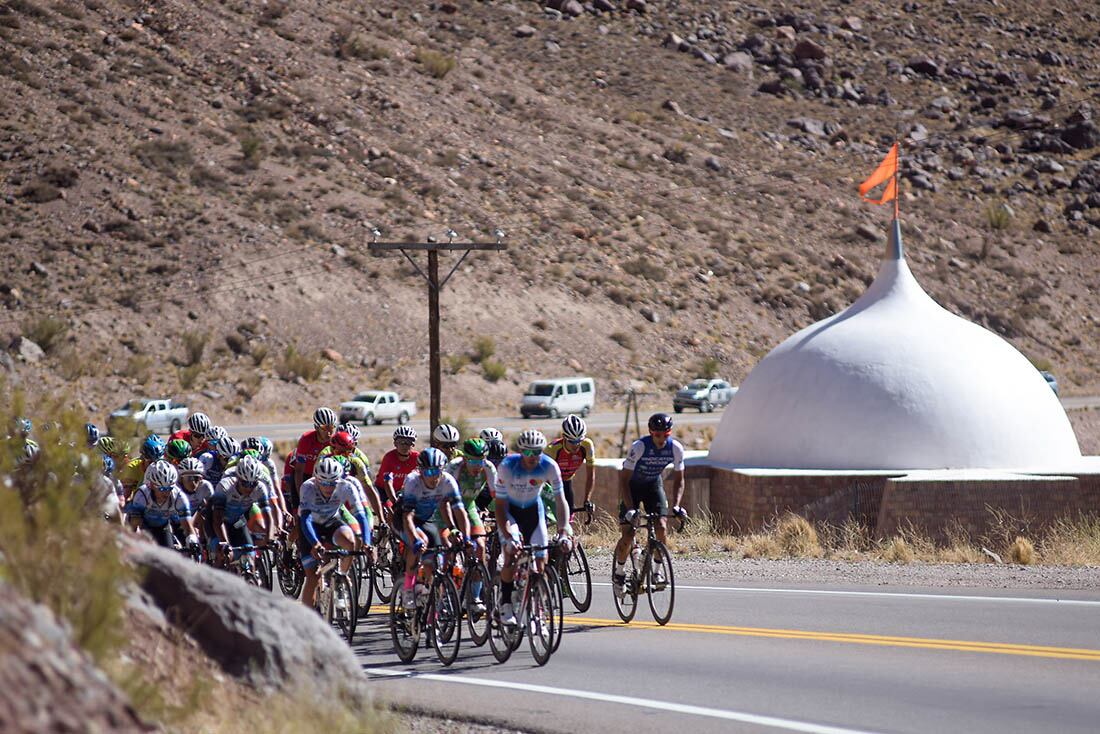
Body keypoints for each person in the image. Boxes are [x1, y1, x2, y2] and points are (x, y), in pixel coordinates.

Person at [494, 429, 571, 627]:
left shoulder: (549, 466)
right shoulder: (507, 467)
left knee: (541, 559)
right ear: (521, 452)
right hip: (510, 513)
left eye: (536, 452)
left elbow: (560, 500)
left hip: (533, 513)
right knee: (511, 555)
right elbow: (500, 507)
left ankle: (537, 606)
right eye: (527, 452)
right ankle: (505, 602)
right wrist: (509, 536)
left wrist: (563, 530)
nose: (532, 457)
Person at [614, 413, 687, 597]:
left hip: (653, 485)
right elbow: (623, 480)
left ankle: (656, 572)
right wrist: (631, 509)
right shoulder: (639, 447)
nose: (662, 439)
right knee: (629, 533)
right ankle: (619, 573)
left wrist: (677, 506)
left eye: (665, 435)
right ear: (651, 433)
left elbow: (680, 480)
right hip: (632, 487)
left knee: (661, 527)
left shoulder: (676, 449)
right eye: (657, 435)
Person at [297, 457, 370, 608]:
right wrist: (315, 543)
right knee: (313, 576)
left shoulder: (347, 486)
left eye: (333, 483)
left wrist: (368, 543)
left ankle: (341, 579)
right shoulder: (308, 487)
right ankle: (308, 619)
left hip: (331, 522)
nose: (328, 487)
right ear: (316, 479)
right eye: (324, 483)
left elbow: (361, 515)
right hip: (310, 527)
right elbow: (305, 519)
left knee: (350, 542)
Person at [399, 448, 464, 610]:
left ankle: (431, 604)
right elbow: (407, 517)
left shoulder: (447, 481)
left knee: (435, 559)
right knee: (421, 543)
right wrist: (414, 540)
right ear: (420, 471)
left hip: (428, 519)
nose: (433, 476)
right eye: (428, 472)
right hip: (406, 518)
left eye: (437, 471)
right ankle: (408, 588)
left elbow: (456, 509)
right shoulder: (413, 481)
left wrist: (458, 531)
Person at [444, 438, 496, 613]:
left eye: (481, 460)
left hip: (469, 505)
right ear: (465, 458)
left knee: (480, 548)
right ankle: (444, 591)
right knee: (448, 547)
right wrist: (452, 527)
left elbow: (499, 497)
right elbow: (444, 499)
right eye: (473, 461)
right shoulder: (454, 467)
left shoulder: (488, 468)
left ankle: (474, 598)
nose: (477, 465)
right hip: (448, 507)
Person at [210, 455, 275, 568]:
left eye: (253, 484)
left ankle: (251, 580)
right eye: (245, 484)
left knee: (250, 556)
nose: (249, 488)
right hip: (217, 523)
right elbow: (217, 520)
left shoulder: (260, 488)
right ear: (238, 479)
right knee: (223, 555)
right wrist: (225, 542)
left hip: (237, 523)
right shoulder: (225, 486)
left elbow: (268, 516)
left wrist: (270, 538)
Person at [127, 460, 198, 550]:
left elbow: (187, 526)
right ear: (152, 485)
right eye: (161, 489)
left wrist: (192, 540)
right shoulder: (142, 494)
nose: (166, 492)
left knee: (169, 553)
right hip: (144, 525)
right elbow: (134, 523)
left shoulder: (178, 495)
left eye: (169, 488)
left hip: (163, 526)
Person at [544, 414, 597, 514]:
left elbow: (590, 475)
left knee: (568, 518)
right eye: (572, 441)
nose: (576, 445)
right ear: (564, 437)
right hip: (548, 484)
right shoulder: (552, 449)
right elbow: (542, 477)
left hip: (567, 482)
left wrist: (587, 500)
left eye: (579, 441)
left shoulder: (587, 446)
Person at [292, 407, 338, 495]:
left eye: (331, 427)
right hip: (305, 476)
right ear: (316, 427)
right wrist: (301, 495)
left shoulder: (335, 442)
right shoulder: (306, 440)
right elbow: (299, 471)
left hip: (326, 478)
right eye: (324, 428)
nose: (329, 432)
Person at [375, 426, 419, 511]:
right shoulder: (389, 458)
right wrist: (395, 503)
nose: (404, 445)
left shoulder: (417, 458)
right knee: (390, 508)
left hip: (401, 490)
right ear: (395, 444)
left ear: (413, 444)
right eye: (400, 442)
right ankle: (385, 523)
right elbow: (388, 482)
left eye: (408, 442)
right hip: (383, 489)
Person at [120, 434, 166, 499]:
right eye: (150, 462)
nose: (154, 465)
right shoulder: (131, 468)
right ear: (143, 457)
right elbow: (124, 497)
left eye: (159, 461)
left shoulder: (167, 468)